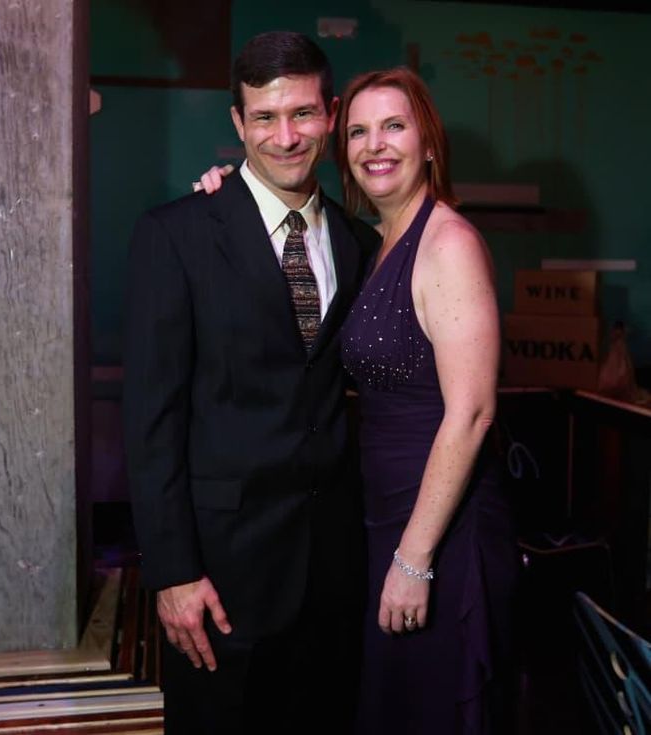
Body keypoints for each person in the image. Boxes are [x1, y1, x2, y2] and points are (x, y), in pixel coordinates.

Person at [200, 67, 517, 733]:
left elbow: (472, 411)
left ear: (429, 142)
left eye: (394, 126)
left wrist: (415, 557)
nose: (376, 144)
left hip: (440, 533)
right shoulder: (375, 243)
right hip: (385, 523)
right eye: (359, 131)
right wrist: (227, 197)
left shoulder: (449, 243)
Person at [123, 32, 379, 733]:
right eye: (264, 117)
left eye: (301, 113)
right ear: (237, 123)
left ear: (329, 114)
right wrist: (172, 572)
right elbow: (151, 420)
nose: (285, 136)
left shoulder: (360, 245)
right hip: (219, 576)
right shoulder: (175, 235)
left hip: (332, 572)